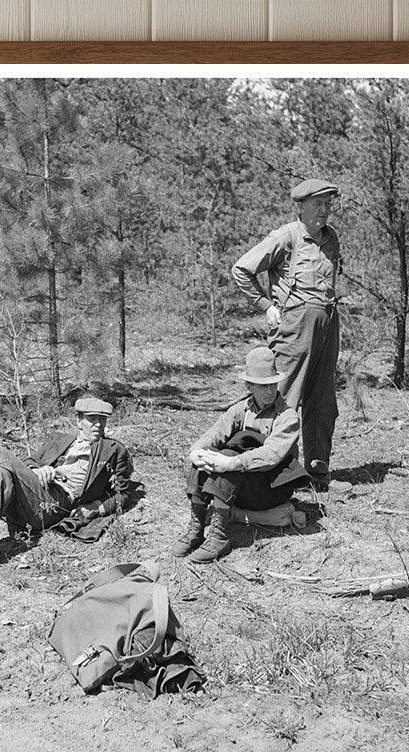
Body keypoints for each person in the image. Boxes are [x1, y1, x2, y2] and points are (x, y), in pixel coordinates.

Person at [0, 397, 134, 568]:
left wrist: (96, 508)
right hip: (29, 501)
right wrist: (38, 470)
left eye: (102, 420)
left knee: (0, 452)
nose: (98, 425)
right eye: (91, 419)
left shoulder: (113, 450)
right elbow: (30, 461)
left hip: (56, 504)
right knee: (0, 472)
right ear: (78, 421)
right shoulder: (60, 440)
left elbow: (123, 493)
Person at [231, 177, 343, 487]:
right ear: (301, 206)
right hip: (294, 330)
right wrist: (266, 305)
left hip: (327, 326)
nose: (324, 211)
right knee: (282, 400)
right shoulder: (285, 237)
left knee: (322, 401)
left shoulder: (331, 238)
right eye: (318, 204)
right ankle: (275, 471)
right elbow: (242, 269)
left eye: (328, 205)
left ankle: (318, 472)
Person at [171, 347, 304, 563]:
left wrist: (231, 462)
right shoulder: (241, 409)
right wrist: (196, 451)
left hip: (272, 488)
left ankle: (219, 537)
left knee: (228, 456)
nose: (269, 391)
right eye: (262, 386)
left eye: (273, 384)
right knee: (206, 458)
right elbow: (215, 432)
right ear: (249, 386)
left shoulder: (287, 417)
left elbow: (271, 455)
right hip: (245, 484)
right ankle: (197, 527)